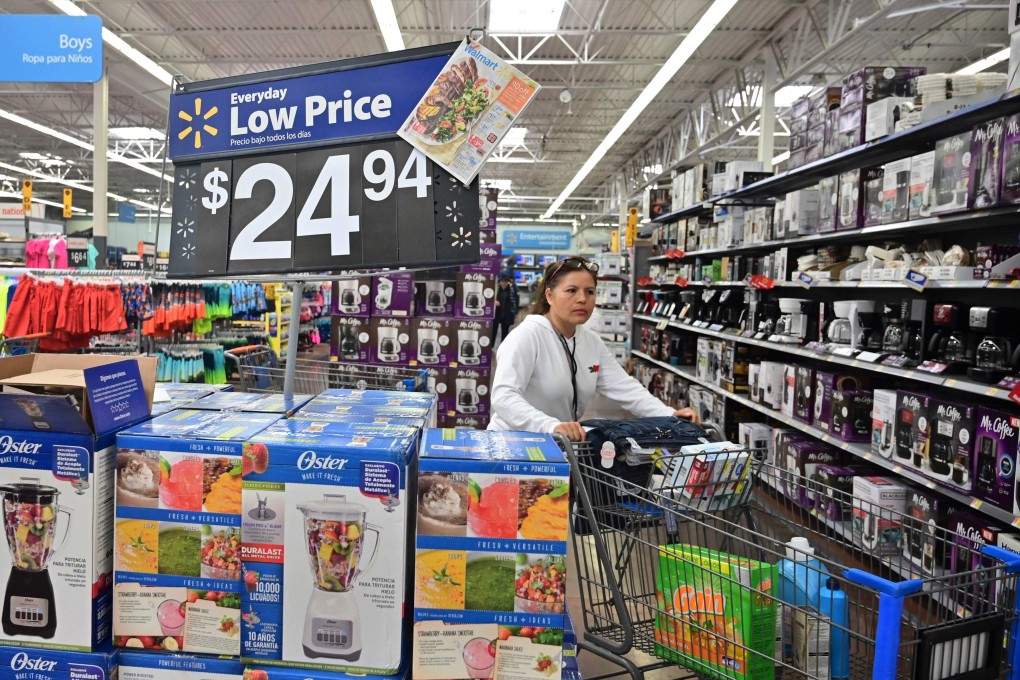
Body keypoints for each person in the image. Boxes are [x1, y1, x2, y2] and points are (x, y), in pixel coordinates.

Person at [489, 256, 698, 441]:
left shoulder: (591, 343)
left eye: (589, 292)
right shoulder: (526, 336)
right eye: (571, 291)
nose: (582, 299)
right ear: (550, 296)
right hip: (512, 447)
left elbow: (625, 387)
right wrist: (550, 425)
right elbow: (504, 396)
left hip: (555, 447)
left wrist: (668, 414)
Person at [492, 272, 519, 344]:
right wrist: (493, 302)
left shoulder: (512, 290)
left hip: (507, 314)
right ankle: (490, 348)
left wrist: (514, 314)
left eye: (505, 281)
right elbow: (488, 299)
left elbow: (515, 302)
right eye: (502, 281)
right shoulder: (495, 289)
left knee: (505, 333)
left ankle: (503, 348)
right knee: (493, 332)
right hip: (496, 314)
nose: (503, 283)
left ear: (508, 282)